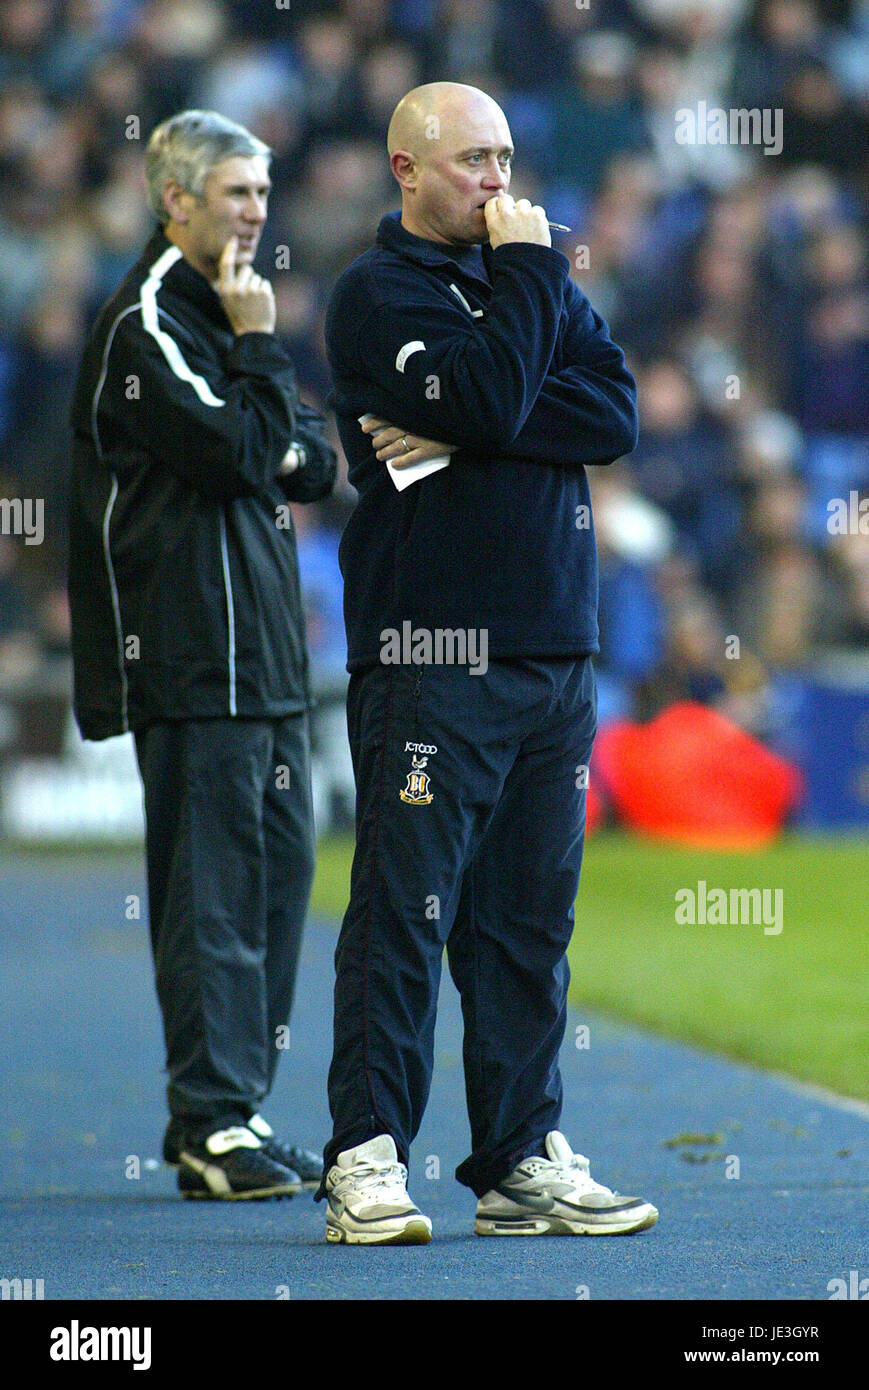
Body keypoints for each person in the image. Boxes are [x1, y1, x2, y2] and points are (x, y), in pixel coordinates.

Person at [318, 82, 658, 1244]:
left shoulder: (530, 280)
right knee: (405, 908)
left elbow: (612, 414)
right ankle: (365, 1156)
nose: (497, 183)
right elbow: (493, 386)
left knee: (526, 924)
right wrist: (499, 367)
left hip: (556, 643)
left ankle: (516, 1157)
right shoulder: (375, 294)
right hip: (433, 649)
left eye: (506, 158)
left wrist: (477, 414)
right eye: (471, 161)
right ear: (405, 170)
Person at [68, 110, 336, 1200]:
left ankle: (239, 1109)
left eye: (262, 192)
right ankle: (208, 1123)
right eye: (235, 193)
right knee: (213, 893)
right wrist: (262, 355)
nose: (256, 212)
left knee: (278, 883)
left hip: (263, 656)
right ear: (172, 199)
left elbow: (312, 464)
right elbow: (242, 454)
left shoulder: (230, 312)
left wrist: (266, 398)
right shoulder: (146, 325)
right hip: (190, 656)